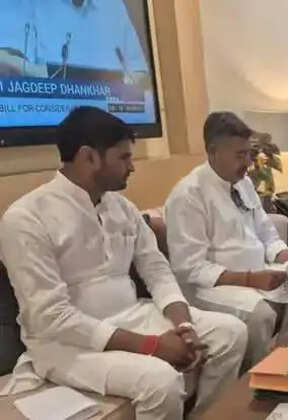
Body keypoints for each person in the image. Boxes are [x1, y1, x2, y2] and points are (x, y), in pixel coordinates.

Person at [0, 107, 247, 420]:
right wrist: (152, 346)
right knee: (160, 382)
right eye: (124, 157)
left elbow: (157, 271)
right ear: (89, 157)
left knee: (231, 333)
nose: (132, 167)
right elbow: (51, 316)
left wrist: (184, 326)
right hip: (66, 345)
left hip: (135, 316)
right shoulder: (26, 218)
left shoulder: (122, 208)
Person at [165, 111, 288, 368]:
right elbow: (189, 268)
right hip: (212, 287)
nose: (248, 162)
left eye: (248, 153)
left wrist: (287, 257)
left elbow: (266, 230)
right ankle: (259, 375)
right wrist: (248, 279)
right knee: (261, 315)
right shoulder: (188, 195)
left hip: (257, 273)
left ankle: (286, 358)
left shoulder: (243, 183)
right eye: (240, 155)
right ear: (213, 152)